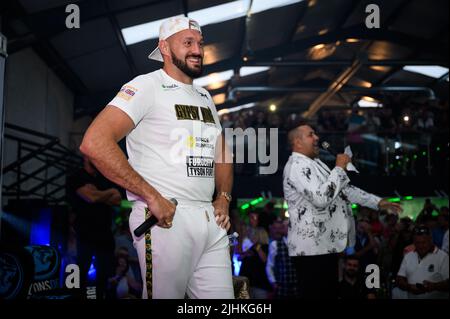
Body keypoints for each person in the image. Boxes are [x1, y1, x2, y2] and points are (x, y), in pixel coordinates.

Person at [80, 16, 234, 299]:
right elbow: (94, 142)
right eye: (187, 42)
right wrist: (151, 196)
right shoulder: (146, 86)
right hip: (165, 219)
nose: (197, 50)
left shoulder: (205, 97)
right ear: (164, 47)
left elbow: (222, 152)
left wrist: (223, 197)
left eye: (199, 43)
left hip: (210, 221)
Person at [282, 122, 402, 299]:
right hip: (310, 250)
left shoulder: (316, 163)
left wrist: (377, 202)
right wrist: (339, 168)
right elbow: (321, 198)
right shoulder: (297, 166)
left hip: (324, 247)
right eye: (311, 134)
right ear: (297, 142)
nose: (317, 138)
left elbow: (344, 190)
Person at [66, 157, 122, 299]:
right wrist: (108, 192)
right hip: (85, 233)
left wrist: (99, 194)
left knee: (104, 274)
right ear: (85, 156)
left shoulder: (104, 177)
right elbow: (91, 197)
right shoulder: (76, 177)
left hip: (105, 234)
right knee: (81, 271)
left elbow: (117, 199)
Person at [396, 225, 449, 299]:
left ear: (431, 240)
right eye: (417, 243)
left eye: (424, 242)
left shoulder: (443, 257)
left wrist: (434, 286)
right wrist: (409, 287)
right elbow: (399, 279)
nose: (421, 246)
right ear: (413, 242)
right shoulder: (408, 256)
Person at [266, 220, 298, 298]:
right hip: (282, 286)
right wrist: (273, 282)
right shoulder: (275, 244)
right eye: (285, 226)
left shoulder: (298, 244)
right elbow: (269, 266)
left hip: (297, 286)